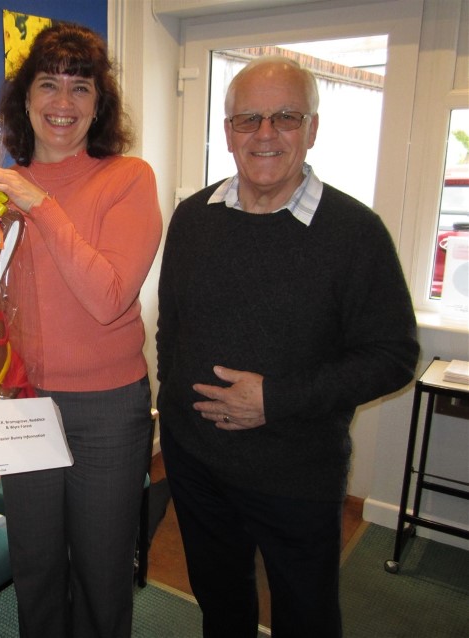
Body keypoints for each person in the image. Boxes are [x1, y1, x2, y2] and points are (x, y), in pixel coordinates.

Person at [156, 56, 419, 638]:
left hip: (296, 475)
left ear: (313, 128)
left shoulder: (354, 233)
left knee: (306, 616)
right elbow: (170, 326)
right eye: (248, 118)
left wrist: (276, 399)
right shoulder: (192, 219)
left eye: (285, 117)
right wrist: (172, 404)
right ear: (227, 132)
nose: (266, 134)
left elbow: (393, 355)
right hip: (196, 464)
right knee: (221, 607)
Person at [0, 22, 163, 638]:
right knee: (35, 565)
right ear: (24, 98)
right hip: (23, 401)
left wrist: (38, 203)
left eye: (81, 88)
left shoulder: (127, 178)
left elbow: (107, 298)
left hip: (107, 410)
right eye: (48, 85)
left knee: (103, 571)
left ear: (99, 104)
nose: (62, 103)